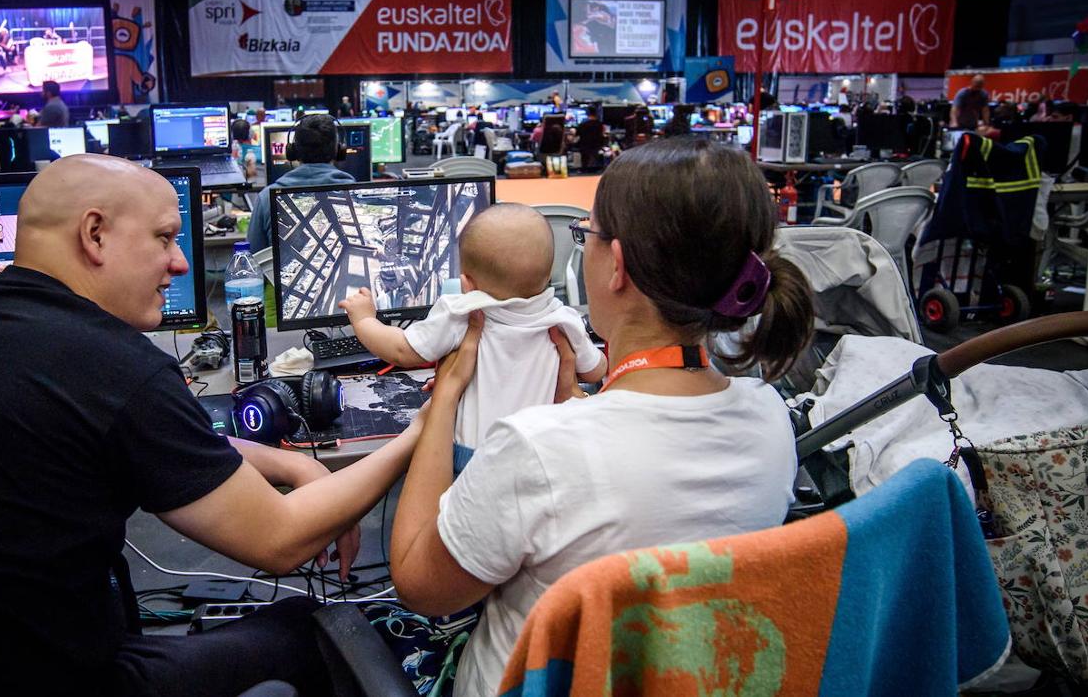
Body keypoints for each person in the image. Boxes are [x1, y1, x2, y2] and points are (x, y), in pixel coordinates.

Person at [0, 155, 421, 695]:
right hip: (46, 676)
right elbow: (280, 540)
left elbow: (154, 441)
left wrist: (289, 460)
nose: (181, 262)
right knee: (314, 625)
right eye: (165, 238)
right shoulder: (114, 365)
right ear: (94, 234)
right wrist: (423, 428)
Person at [388, 137, 814, 697]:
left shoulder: (538, 448)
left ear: (617, 266)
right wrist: (578, 405)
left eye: (584, 234)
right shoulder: (770, 420)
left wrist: (445, 396)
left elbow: (419, 585)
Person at [340, 204, 607, 473]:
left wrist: (364, 320)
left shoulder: (462, 312)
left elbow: (401, 350)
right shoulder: (563, 319)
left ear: (466, 283)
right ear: (549, 276)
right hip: (539, 455)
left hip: (474, 457)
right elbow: (596, 370)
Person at [246, 114, 354, 252]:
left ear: (293, 152)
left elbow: (250, 260)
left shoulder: (266, 197)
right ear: (339, 150)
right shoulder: (354, 193)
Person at [575, 106, 607, 170]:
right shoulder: (600, 124)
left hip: (584, 146)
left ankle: (584, 169)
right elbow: (603, 135)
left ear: (587, 114)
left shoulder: (582, 125)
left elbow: (576, 135)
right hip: (597, 147)